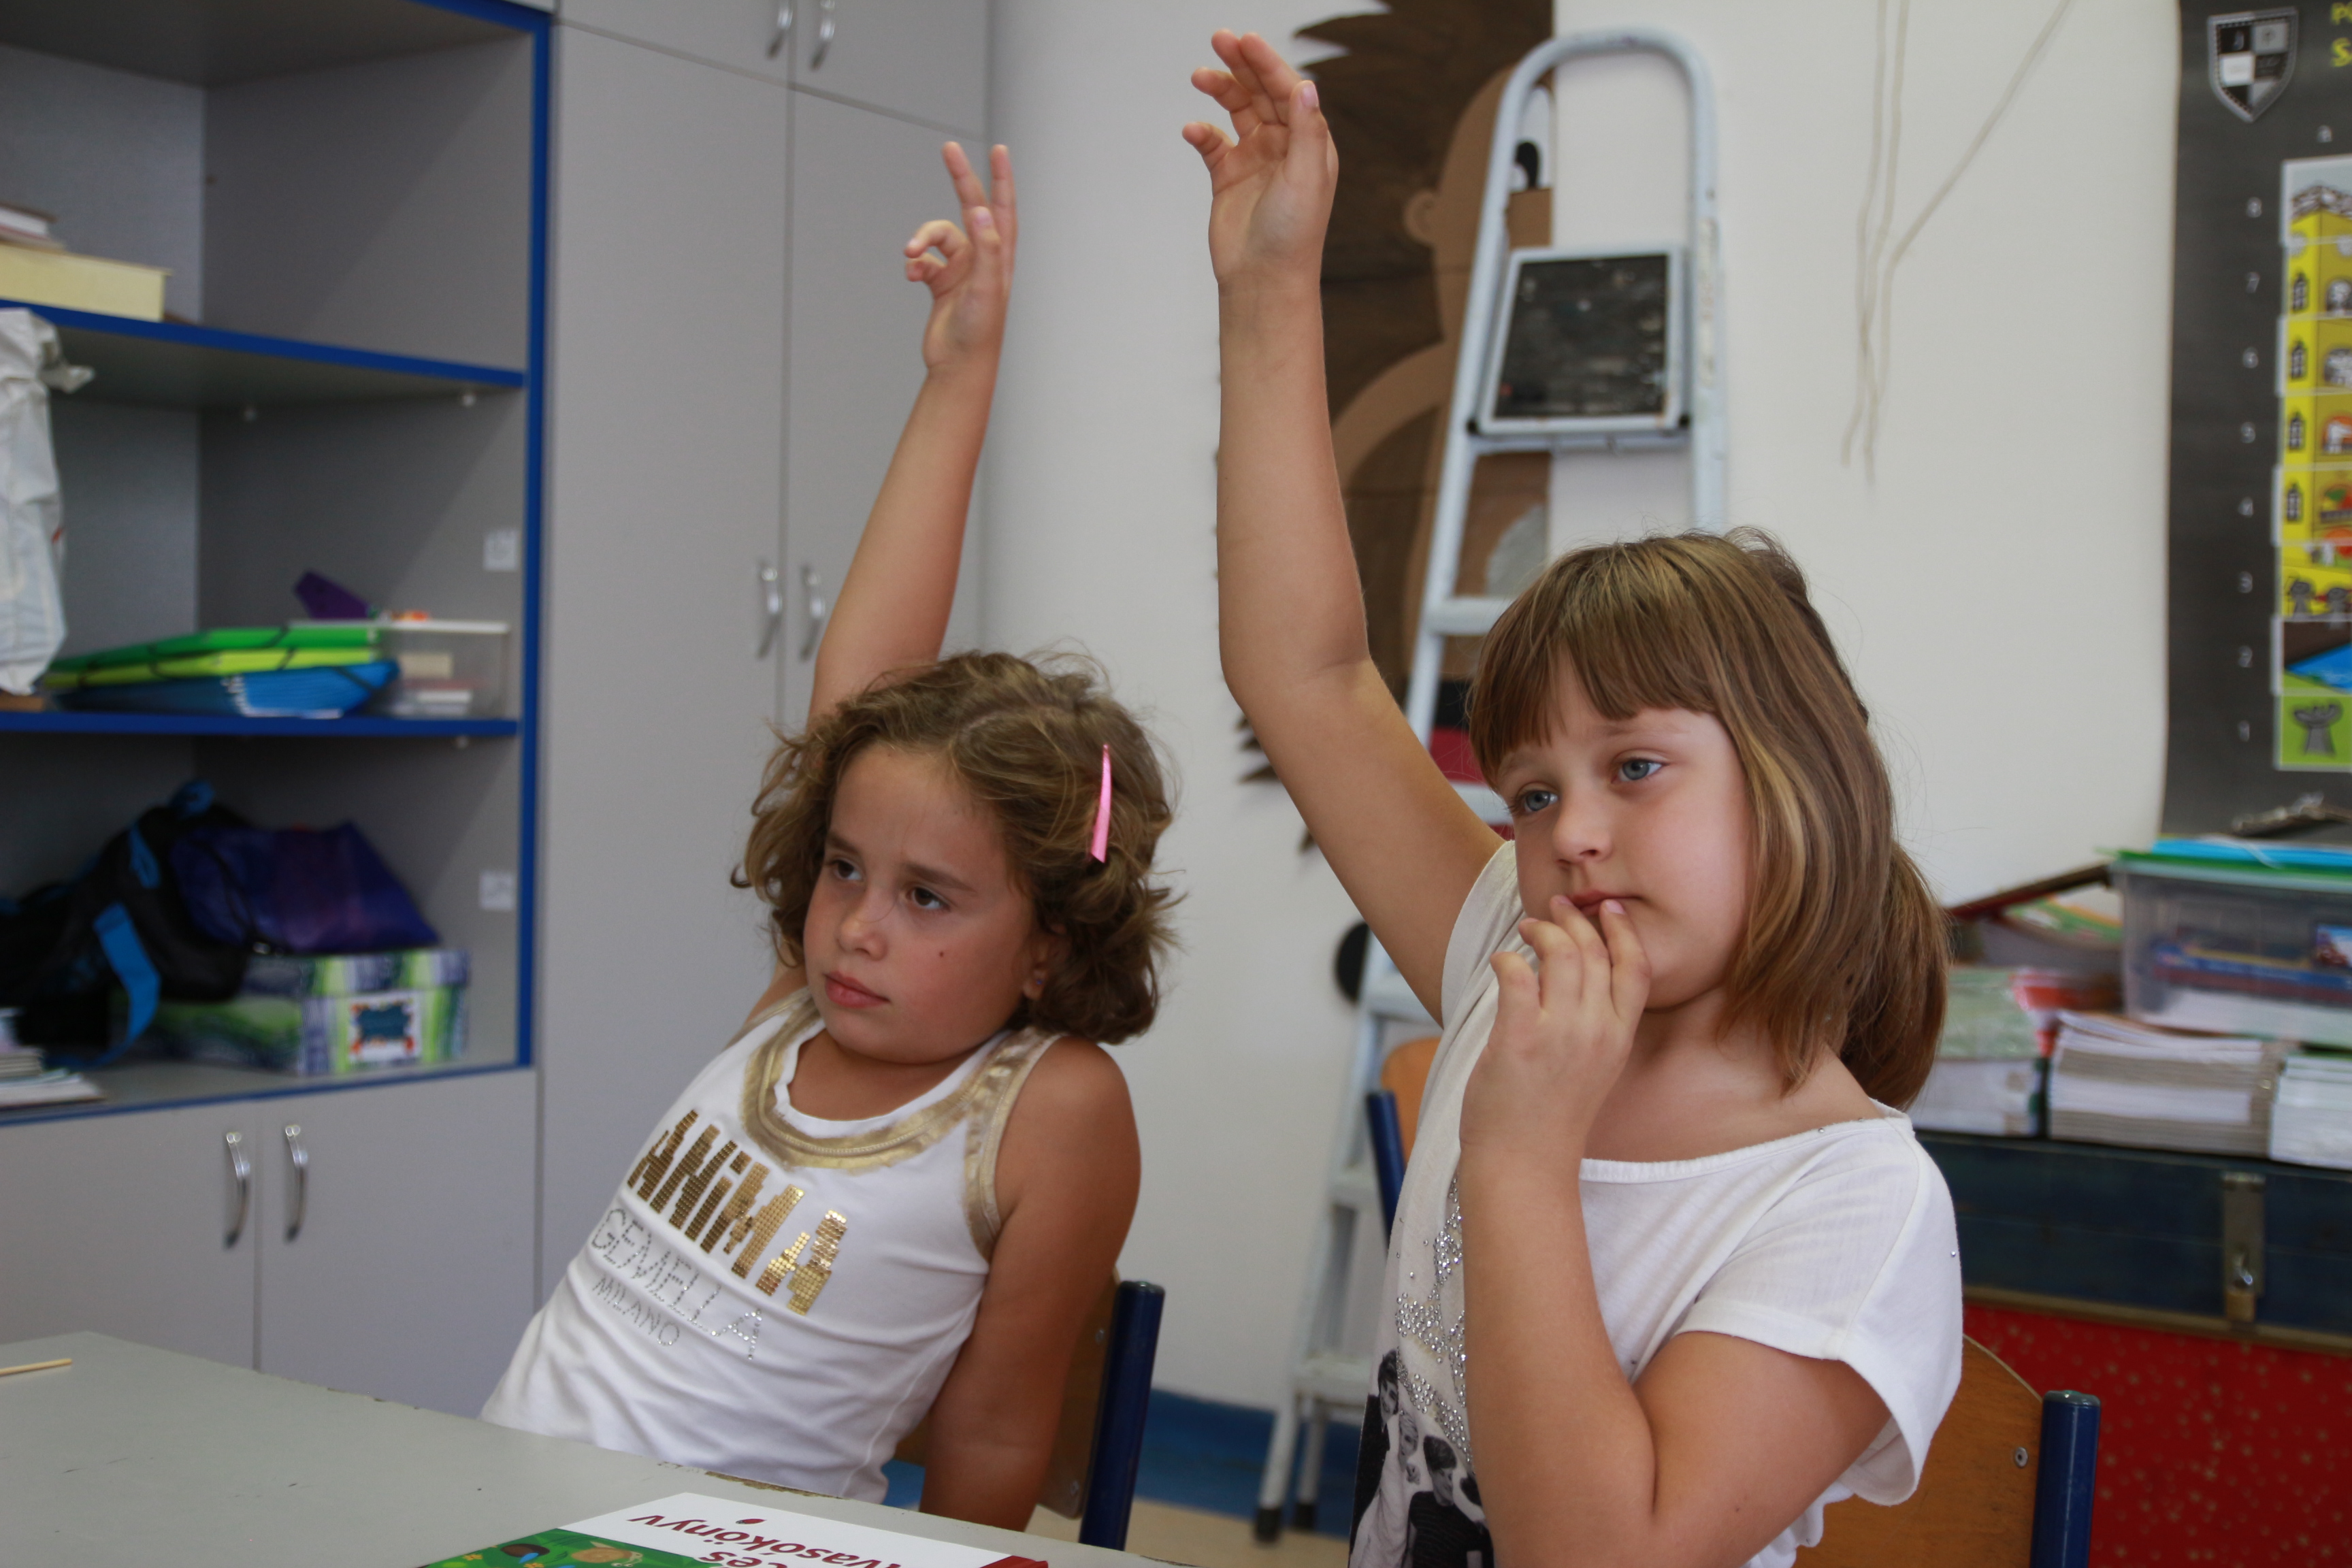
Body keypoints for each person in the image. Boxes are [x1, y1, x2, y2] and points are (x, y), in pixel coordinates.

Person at [1183, 33, 1962, 1568]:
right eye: (1531, 794)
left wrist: (1522, 1153)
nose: (1572, 834)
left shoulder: (1853, 1203)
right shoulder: (1516, 969)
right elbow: (1308, 676)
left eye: (1638, 768)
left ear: (1800, 781)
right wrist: (1269, 289)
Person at [482, 142, 1174, 1530]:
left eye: (930, 898)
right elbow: (857, 713)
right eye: (848, 870)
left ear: (1050, 942)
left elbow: (996, 1430)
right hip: (496, 1511)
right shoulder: (795, 1008)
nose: (858, 924)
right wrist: (957, 372)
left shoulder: (1050, 1108)